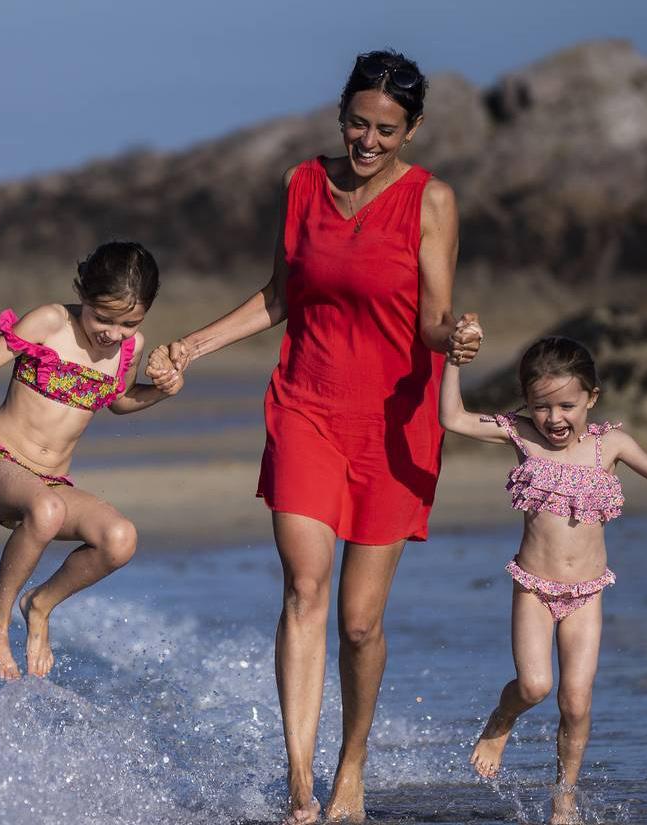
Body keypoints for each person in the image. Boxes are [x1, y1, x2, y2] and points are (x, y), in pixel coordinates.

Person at [148, 50, 483, 822]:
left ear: (413, 129)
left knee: (360, 621)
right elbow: (277, 296)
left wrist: (453, 340)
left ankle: (351, 767)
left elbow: (434, 317)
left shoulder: (432, 201)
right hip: (306, 406)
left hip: (393, 422)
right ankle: (300, 787)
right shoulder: (303, 183)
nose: (368, 141)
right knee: (305, 585)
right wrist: (191, 346)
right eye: (358, 124)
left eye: (386, 130)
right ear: (342, 115)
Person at [441, 335, 647, 824]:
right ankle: (501, 721)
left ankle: (563, 798)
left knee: (577, 701)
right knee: (535, 685)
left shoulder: (612, 445)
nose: (555, 418)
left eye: (567, 405)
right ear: (527, 404)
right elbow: (453, 418)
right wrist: (453, 362)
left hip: (587, 595)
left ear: (592, 397)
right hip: (534, 589)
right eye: (542, 406)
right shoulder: (520, 435)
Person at [0, 241, 185, 680]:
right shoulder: (50, 322)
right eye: (103, 318)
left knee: (120, 538)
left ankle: (40, 604)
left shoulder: (127, 349)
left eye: (129, 324)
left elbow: (119, 402)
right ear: (83, 293)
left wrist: (160, 391)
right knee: (47, 508)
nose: (113, 333)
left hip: (50, 486)